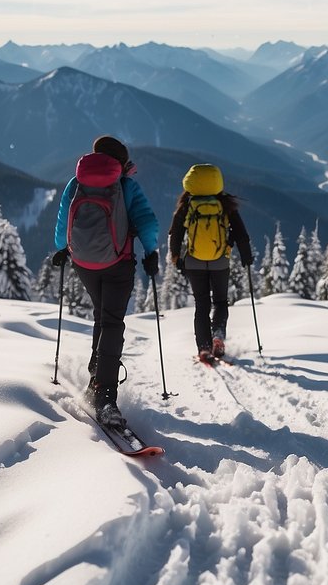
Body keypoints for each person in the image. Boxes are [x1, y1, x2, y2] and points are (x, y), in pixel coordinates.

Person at [52, 135, 159, 427]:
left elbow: (63, 221)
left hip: (84, 263)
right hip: (117, 264)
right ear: (121, 163)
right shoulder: (126, 186)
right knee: (112, 323)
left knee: (103, 316)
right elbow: (147, 222)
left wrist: (62, 248)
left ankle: (95, 378)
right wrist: (151, 252)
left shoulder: (76, 184)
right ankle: (105, 396)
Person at [168, 163, 253, 363]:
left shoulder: (187, 205)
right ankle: (218, 336)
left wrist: (176, 258)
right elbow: (241, 233)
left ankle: (204, 348)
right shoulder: (224, 204)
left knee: (202, 304)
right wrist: (246, 257)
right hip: (220, 261)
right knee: (221, 302)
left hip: (194, 262)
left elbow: (176, 234)